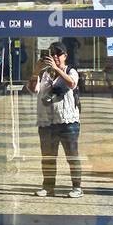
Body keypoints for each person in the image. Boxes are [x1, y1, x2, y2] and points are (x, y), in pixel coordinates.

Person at [27, 43, 83, 198]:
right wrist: (36, 71)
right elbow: (33, 89)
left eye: (59, 54)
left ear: (65, 56)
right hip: (46, 123)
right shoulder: (43, 74)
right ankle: (48, 187)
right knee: (48, 158)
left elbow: (71, 83)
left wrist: (58, 70)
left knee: (72, 156)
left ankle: (77, 187)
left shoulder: (71, 71)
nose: (55, 57)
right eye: (52, 54)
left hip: (68, 122)